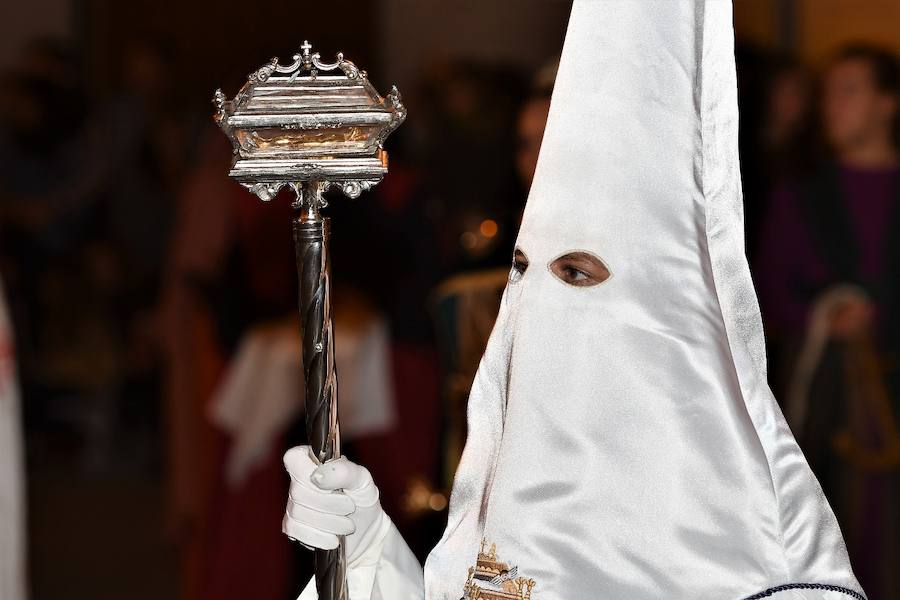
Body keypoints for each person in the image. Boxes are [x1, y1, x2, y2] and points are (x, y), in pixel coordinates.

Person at [281, 2, 863, 599]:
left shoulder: (777, 572)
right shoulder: (513, 487)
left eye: (577, 275)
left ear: (671, 309)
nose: (536, 304)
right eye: (521, 271)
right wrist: (365, 547)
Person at [757, 44, 900, 599]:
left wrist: (881, 316)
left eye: (849, 91)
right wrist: (823, 316)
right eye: (828, 94)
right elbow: (765, 291)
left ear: (888, 103)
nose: (832, 107)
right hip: (823, 404)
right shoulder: (803, 192)